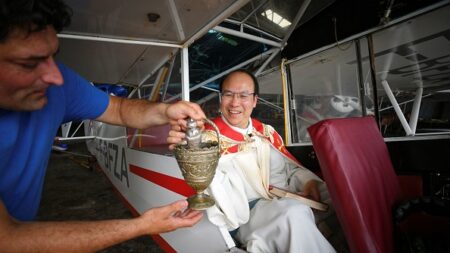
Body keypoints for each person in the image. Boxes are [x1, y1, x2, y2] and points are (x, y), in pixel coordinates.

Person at [0, 0, 205, 252]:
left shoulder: (59, 84)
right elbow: (6, 239)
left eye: (53, 55)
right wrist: (142, 226)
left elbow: (117, 109)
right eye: (28, 64)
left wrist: (164, 111)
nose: (54, 76)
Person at [194, 70, 336, 252]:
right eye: (228, 95)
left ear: (254, 100)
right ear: (221, 99)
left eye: (243, 95)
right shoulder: (207, 141)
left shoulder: (266, 132)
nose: (235, 103)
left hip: (289, 194)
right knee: (292, 214)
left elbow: (289, 167)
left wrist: (308, 182)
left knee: (338, 194)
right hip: (250, 212)